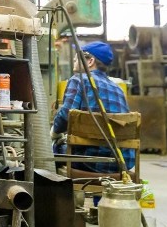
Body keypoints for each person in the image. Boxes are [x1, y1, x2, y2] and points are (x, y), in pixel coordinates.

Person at [51, 41, 134, 173]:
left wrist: (53, 133)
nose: (74, 60)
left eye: (77, 58)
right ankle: (98, 194)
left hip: (88, 161)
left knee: (47, 150)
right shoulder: (118, 89)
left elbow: (64, 117)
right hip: (121, 162)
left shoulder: (79, 80)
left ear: (90, 61)